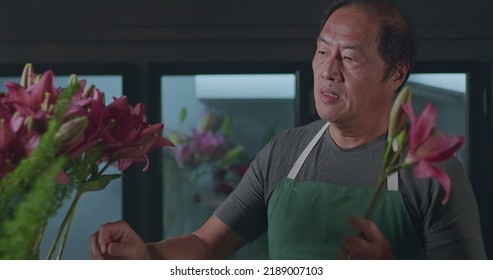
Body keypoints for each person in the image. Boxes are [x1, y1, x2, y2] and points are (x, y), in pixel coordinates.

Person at [90, 0, 486, 260]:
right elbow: (205, 245)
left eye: (348, 57)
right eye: (321, 51)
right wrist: (146, 254)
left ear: (396, 72)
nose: (328, 71)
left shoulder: (432, 173)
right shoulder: (285, 153)